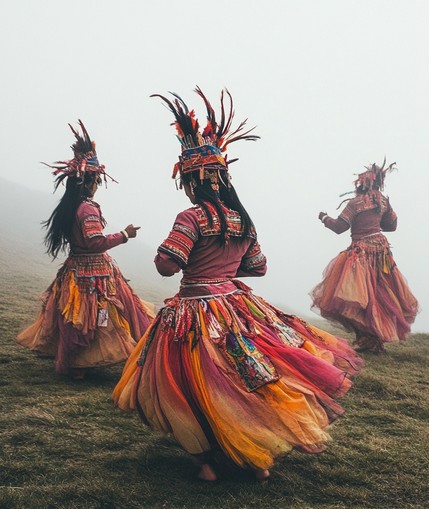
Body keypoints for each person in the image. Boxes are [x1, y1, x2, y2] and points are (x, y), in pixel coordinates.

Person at [113, 88, 362, 482]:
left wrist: (189, 263)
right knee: (249, 377)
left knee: (189, 385)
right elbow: (258, 267)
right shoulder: (242, 221)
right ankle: (255, 458)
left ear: (193, 181)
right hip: (236, 305)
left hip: (194, 310)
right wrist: (225, 273)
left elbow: (165, 266)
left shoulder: (192, 217)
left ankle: (207, 463)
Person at [17, 121, 153, 379]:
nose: (98, 185)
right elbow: (95, 242)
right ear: (90, 181)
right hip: (95, 272)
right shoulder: (87, 208)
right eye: (97, 180)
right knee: (96, 316)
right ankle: (84, 362)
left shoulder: (70, 207)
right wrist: (125, 235)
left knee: (80, 317)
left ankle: (79, 362)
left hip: (76, 269)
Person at [311, 160, 419, 353]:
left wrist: (324, 218)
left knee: (358, 298)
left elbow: (339, 228)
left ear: (360, 184)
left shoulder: (354, 203)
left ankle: (367, 339)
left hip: (361, 254)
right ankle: (374, 341)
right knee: (380, 295)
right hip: (382, 252)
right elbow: (392, 226)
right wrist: (377, 221)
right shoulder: (383, 201)